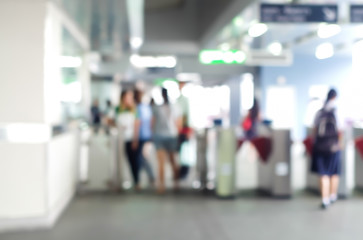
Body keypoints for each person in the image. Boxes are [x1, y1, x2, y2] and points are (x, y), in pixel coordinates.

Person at [312, 89, 341, 209]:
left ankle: (325, 199)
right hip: (334, 147)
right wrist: (339, 143)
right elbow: (341, 130)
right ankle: (333, 195)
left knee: (323, 173)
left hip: (320, 147)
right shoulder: (338, 111)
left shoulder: (319, 112)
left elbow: (314, 129)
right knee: (334, 172)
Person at [152, 88, 179, 194]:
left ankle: (174, 182)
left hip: (169, 136)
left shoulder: (173, 107)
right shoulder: (158, 107)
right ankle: (162, 185)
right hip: (162, 136)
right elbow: (153, 121)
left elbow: (178, 122)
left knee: (171, 161)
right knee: (163, 162)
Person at [115, 89, 141, 190]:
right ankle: (119, 181)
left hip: (130, 138)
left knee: (133, 161)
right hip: (119, 139)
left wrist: (135, 139)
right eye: (126, 97)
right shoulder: (118, 109)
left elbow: (136, 125)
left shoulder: (134, 110)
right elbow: (112, 120)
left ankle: (136, 181)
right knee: (119, 161)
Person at [134, 89, 155, 187]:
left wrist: (136, 138)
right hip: (147, 135)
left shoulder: (139, 108)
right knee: (143, 157)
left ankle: (151, 176)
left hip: (142, 136)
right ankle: (149, 177)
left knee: (142, 157)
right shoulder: (146, 107)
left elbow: (139, 123)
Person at [176, 80, 193, 179]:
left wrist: (189, 131)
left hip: (185, 129)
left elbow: (188, 116)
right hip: (178, 130)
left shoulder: (186, 100)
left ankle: (185, 172)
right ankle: (180, 172)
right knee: (179, 152)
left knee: (185, 151)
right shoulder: (177, 100)